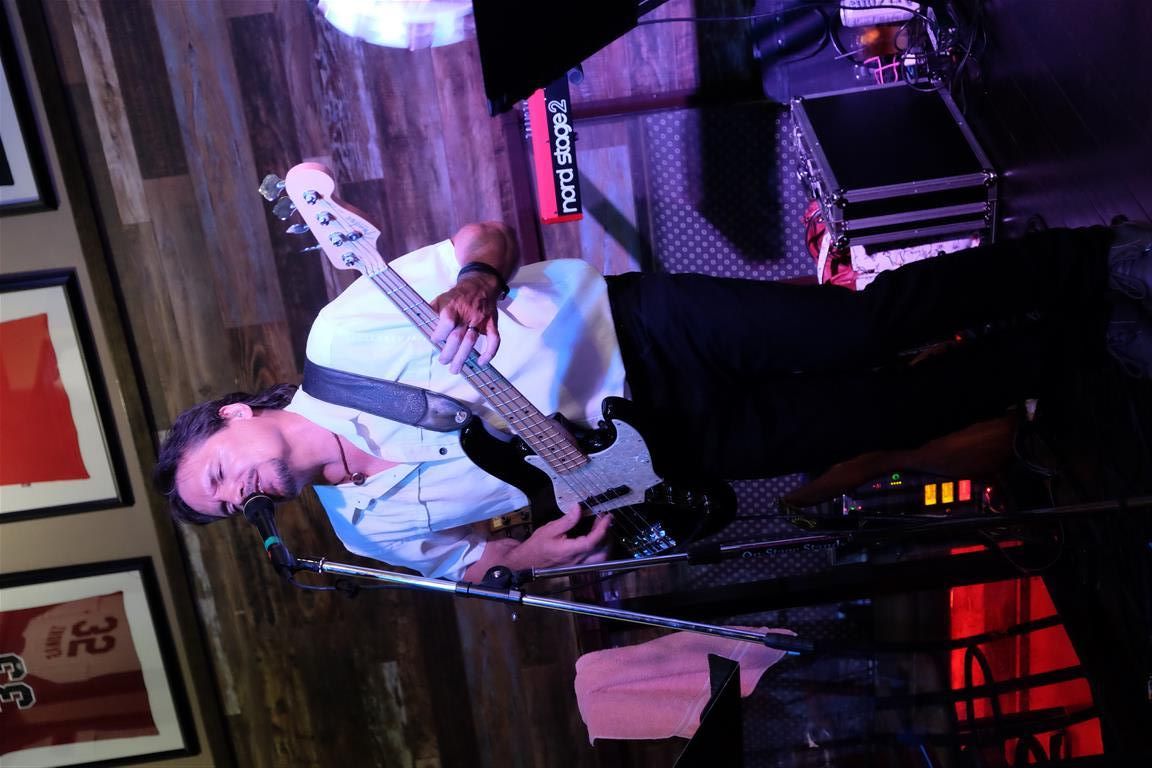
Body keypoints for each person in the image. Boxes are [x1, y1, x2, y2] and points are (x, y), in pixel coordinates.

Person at [153, 219, 1152, 581]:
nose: (241, 492)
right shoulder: (363, 532)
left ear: (233, 418)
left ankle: (1088, 259)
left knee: (863, 329)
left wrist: (478, 283)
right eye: (228, 503)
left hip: (644, 332)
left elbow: (482, 235)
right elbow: (473, 563)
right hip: (664, 453)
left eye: (219, 473)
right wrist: (532, 553)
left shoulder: (338, 342)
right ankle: (1072, 344)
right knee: (886, 419)